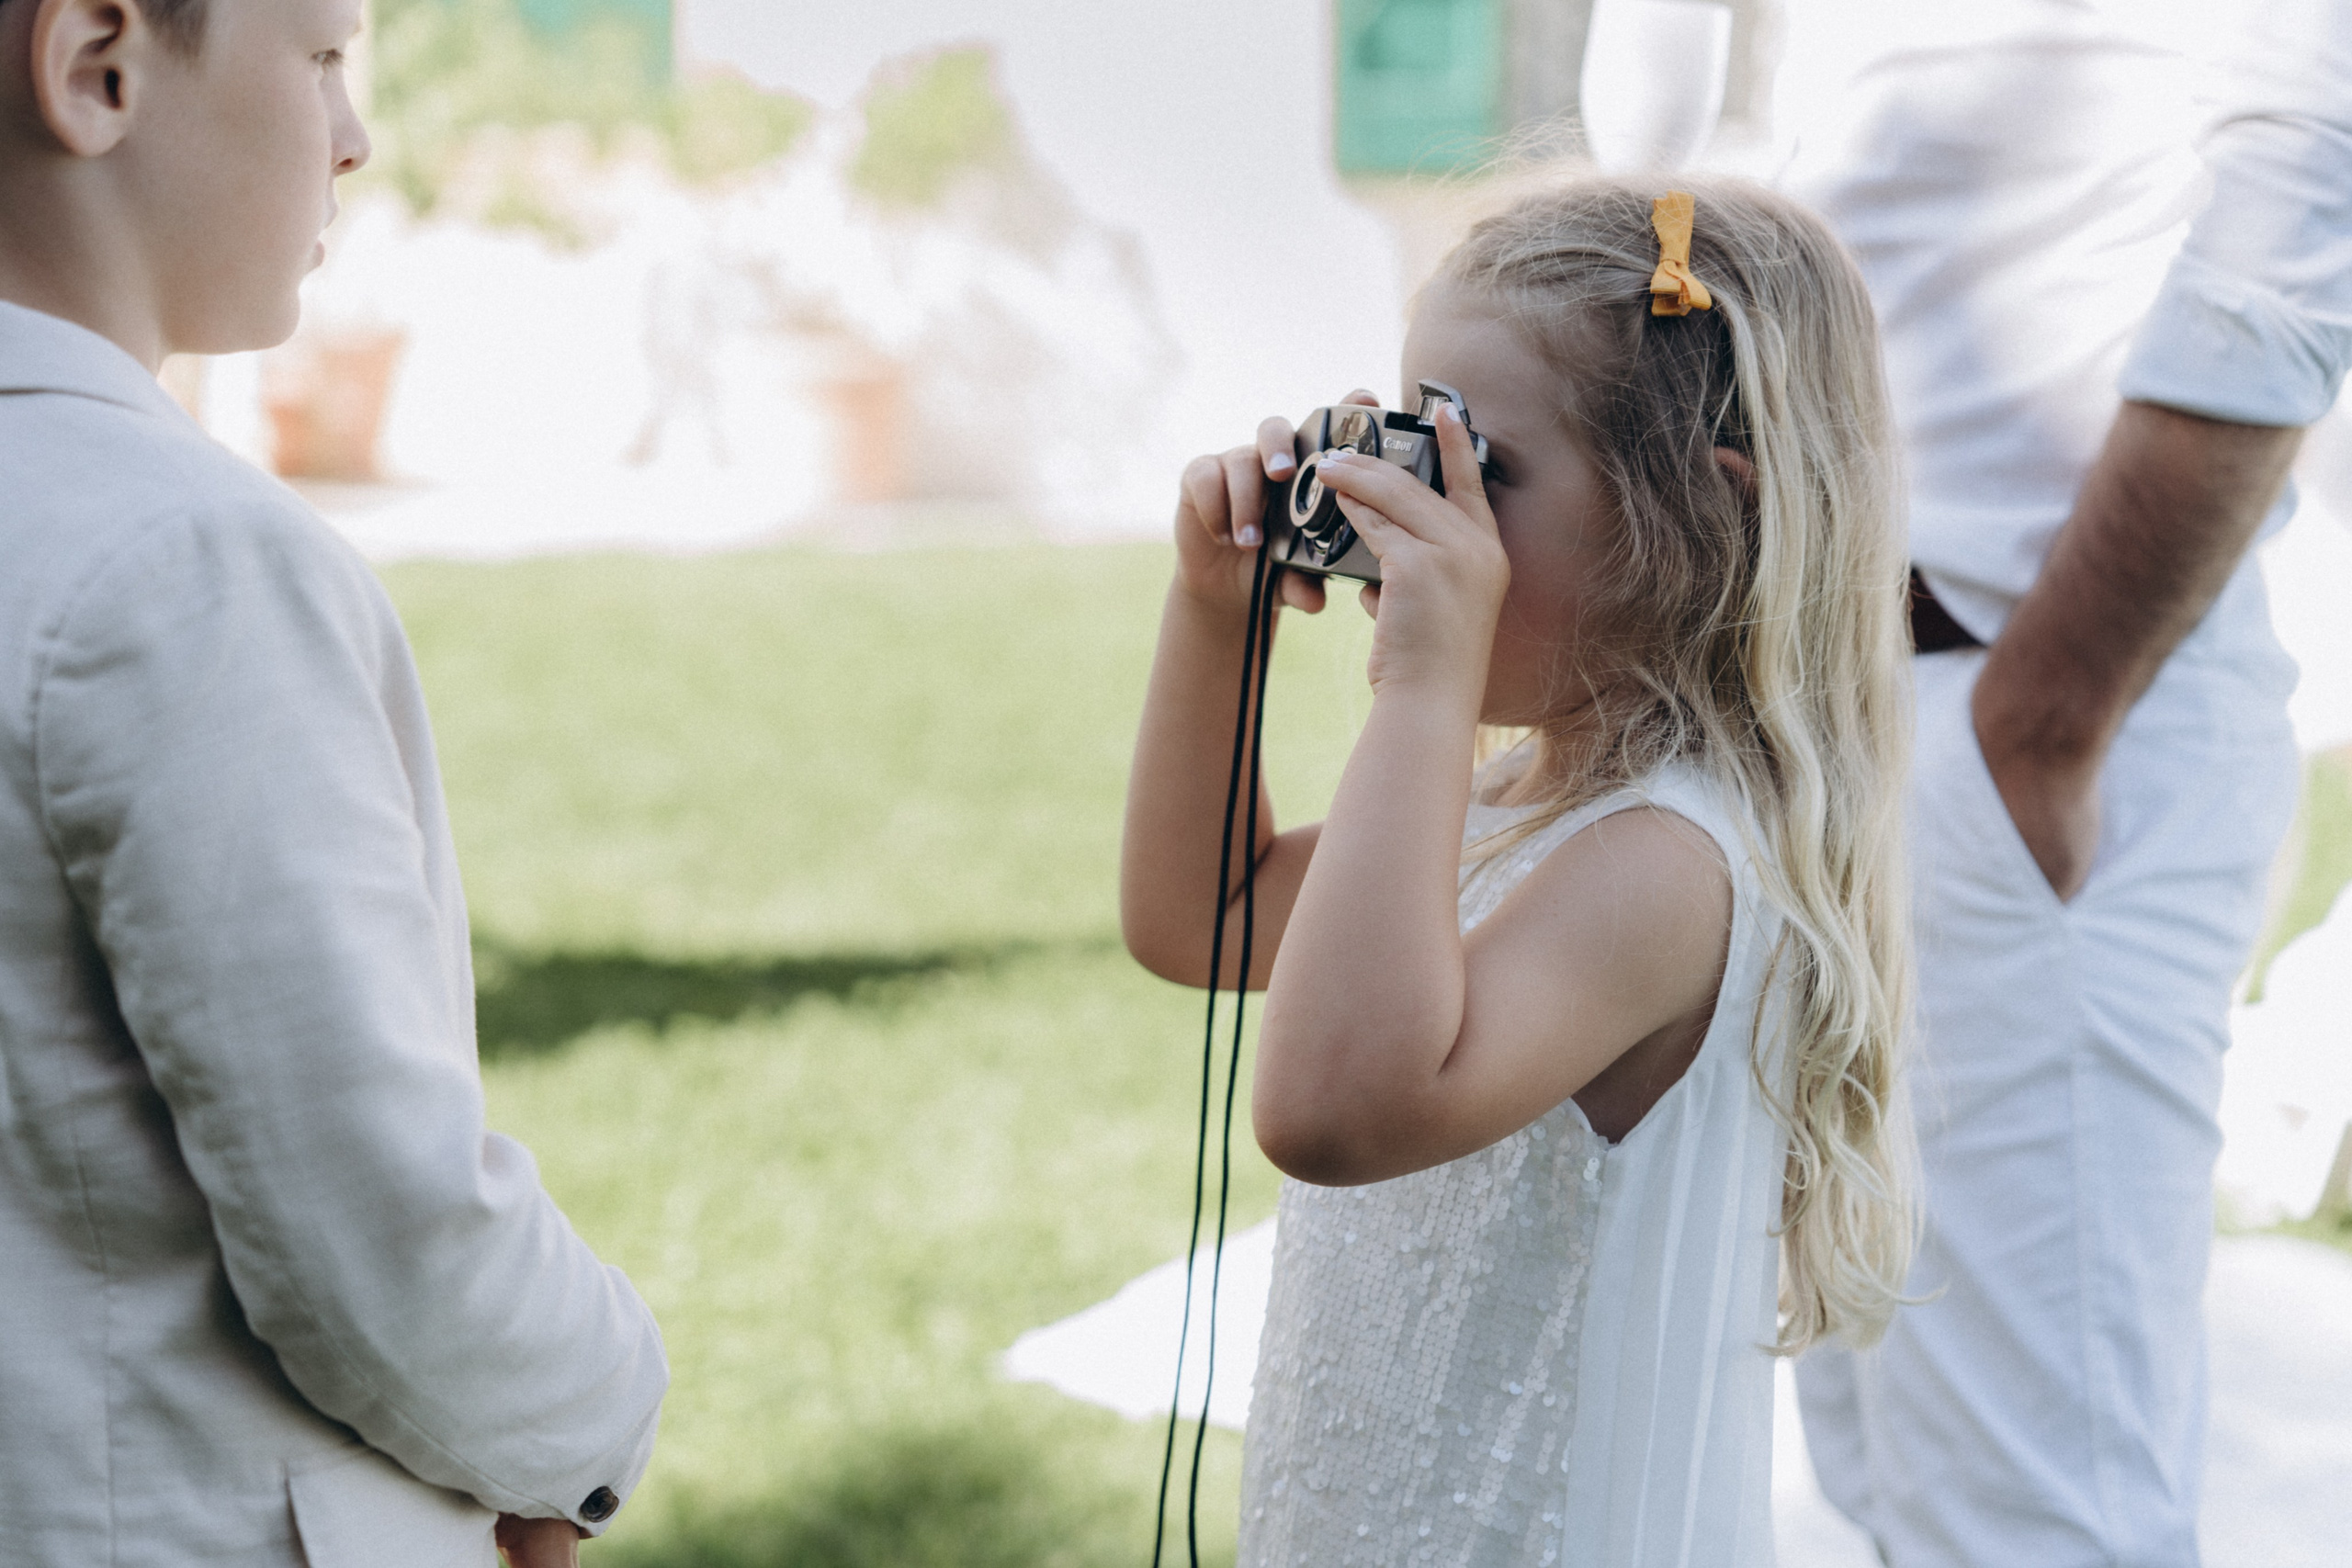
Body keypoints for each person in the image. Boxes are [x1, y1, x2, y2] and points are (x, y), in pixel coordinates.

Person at [1121, 178, 1916, 1564]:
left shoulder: (1668, 867)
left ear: (1699, 517)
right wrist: (1212, 610)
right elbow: (1207, 917)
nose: (1411, 511)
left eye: (1476, 469)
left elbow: (1333, 1111)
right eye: (1407, 437)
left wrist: (1425, 688)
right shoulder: (1516, 798)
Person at [0, 3, 668, 1565]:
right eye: (319, 58)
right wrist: (589, 1420)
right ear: (98, 67)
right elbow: (381, 1234)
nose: (355, 137)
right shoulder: (181, 564)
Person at [1771, 2, 2352, 1561]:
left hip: (2027, 709)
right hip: (1814, 706)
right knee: (1878, 1461)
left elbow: (2299, 191)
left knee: (2035, 1514)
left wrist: (2049, 712)